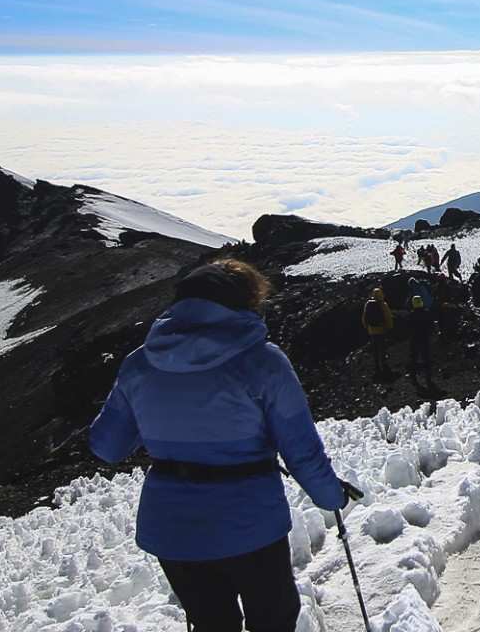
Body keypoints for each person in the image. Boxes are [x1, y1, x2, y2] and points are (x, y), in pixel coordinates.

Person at [89, 259, 362, 632]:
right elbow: (301, 452)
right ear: (246, 301)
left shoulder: (140, 363)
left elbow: (107, 446)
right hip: (250, 523)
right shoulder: (264, 361)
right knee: (274, 620)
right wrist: (332, 498)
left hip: (173, 529)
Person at [361, 287, 395, 376]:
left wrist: (366, 327)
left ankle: (376, 365)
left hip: (372, 331)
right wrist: (389, 327)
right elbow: (388, 317)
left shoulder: (368, 304)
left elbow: (364, 317)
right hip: (381, 330)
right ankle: (383, 362)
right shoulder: (383, 304)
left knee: (375, 349)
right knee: (383, 347)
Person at [405, 295, 436, 388]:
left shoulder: (411, 315)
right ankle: (429, 379)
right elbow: (431, 325)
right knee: (426, 358)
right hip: (425, 337)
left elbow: (408, 328)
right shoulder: (427, 313)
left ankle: (414, 379)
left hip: (414, 338)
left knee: (414, 358)